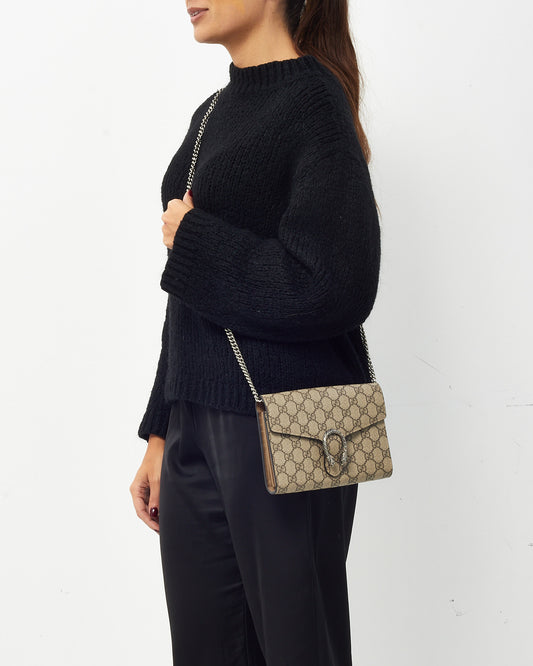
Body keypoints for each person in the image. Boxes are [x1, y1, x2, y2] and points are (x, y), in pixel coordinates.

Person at [129, 1, 382, 664]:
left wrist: (197, 241)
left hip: (285, 427)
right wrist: (161, 431)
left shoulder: (313, 105)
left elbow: (336, 285)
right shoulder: (211, 113)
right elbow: (191, 293)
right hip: (194, 425)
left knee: (298, 649)